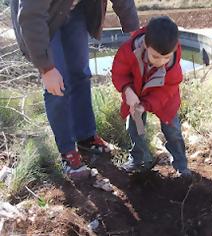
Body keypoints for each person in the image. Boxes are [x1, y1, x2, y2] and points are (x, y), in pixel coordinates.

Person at [10, 0, 140, 179]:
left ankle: (86, 137)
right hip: (40, 16)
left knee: (80, 73)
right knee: (57, 83)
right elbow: (30, 17)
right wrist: (46, 68)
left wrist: (135, 32)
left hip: (75, 9)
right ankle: (67, 152)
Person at [112, 16, 191, 177]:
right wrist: (127, 90)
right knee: (135, 129)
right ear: (146, 45)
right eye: (155, 57)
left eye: (166, 57)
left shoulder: (173, 68)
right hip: (135, 95)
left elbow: (165, 92)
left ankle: (181, 165)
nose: (161, 62)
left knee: (172, 131)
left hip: (164, 101)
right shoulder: (128, 51)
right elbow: (119, 73)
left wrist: (146, 105)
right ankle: (140, 160)